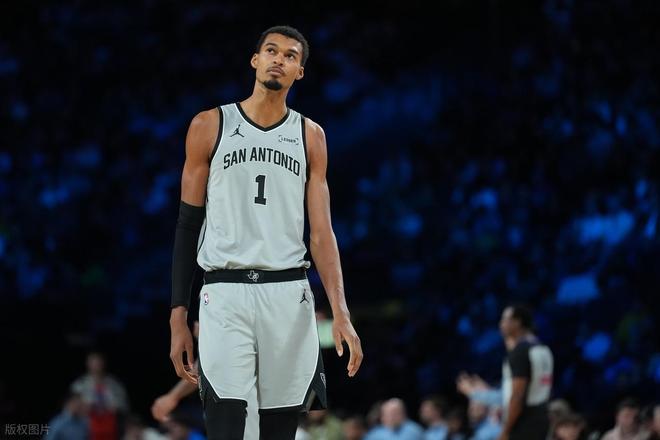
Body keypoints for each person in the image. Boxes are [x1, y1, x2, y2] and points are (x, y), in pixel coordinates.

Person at [168, 25, 363, 440]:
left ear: (299, 72)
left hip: (288, 294)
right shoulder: (209, 124)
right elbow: (187, 225)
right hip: (224, 292)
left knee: (278, 432)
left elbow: (322, 234)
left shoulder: (311, 136)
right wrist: (177, 315)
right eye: (271, 51)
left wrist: (341, 312)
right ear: (255, 60)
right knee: (225, 426)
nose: (279, 59)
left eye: (291, 56)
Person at [152, 322, 259, 439]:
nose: (196, 325)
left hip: (244, 400)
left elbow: (208, 363)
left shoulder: (234, 328)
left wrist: (173, 396)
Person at [497, 305, 554, 440]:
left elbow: (517, 396)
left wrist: (506, 430)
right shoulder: (544, 349)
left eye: (505, 319)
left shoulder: (520, 351)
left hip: (523, 422)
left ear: (517, 322)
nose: (501, 324)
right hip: (542, 417)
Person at [71, 351, 129, 440]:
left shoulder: (114, 385)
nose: (96, 366)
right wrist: (83, 407)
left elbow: (124, 406)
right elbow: (71, 408)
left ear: (103, 363)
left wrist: (115, 408)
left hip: (110, 426)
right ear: (88, 364)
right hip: (86, 426)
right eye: (93, 363)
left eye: (98, 363)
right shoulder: (80, 385)